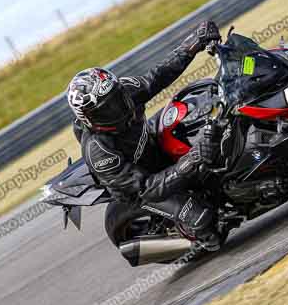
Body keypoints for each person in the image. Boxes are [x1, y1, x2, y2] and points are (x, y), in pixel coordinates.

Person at [66, 20, 223, 254]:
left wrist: (192, 44)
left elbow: (158, 76)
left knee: (198, 112)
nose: (118, 107)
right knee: (202, 217)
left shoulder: (123, 91)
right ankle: (201, 241)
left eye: (117, 99)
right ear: (90, 118)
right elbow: (145, 189)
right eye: (107, 109)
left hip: (148, 142)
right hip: (139, 186)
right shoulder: (100, 150)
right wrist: (192, 160)